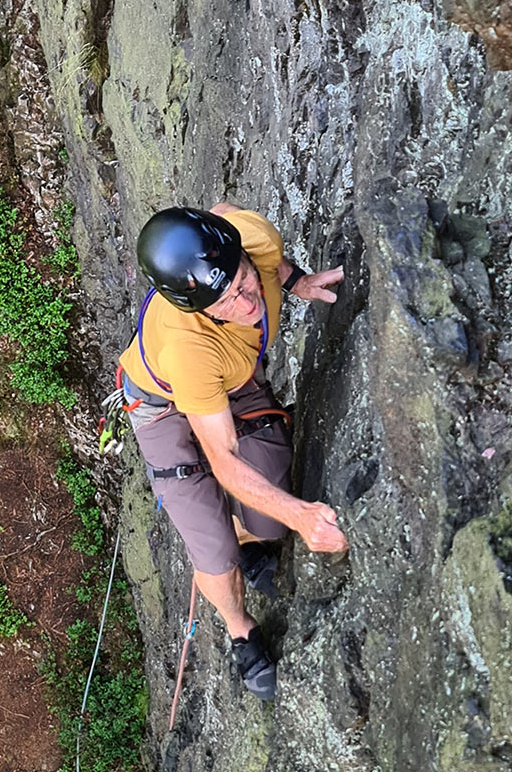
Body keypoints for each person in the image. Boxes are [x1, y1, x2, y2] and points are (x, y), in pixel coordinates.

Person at [118, 202, 348, 701]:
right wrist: (307, 517)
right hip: (163, 401)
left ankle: (248, 540)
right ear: (195, 307)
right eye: (224, 303)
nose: (246, 304)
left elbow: (236, 224)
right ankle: (240, 630)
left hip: (233, 376)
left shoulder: (250, 238)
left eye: (245, 281)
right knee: (212, 549)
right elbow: (221, 459)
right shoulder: (189, 347)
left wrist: (295, 283)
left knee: (268, 525)